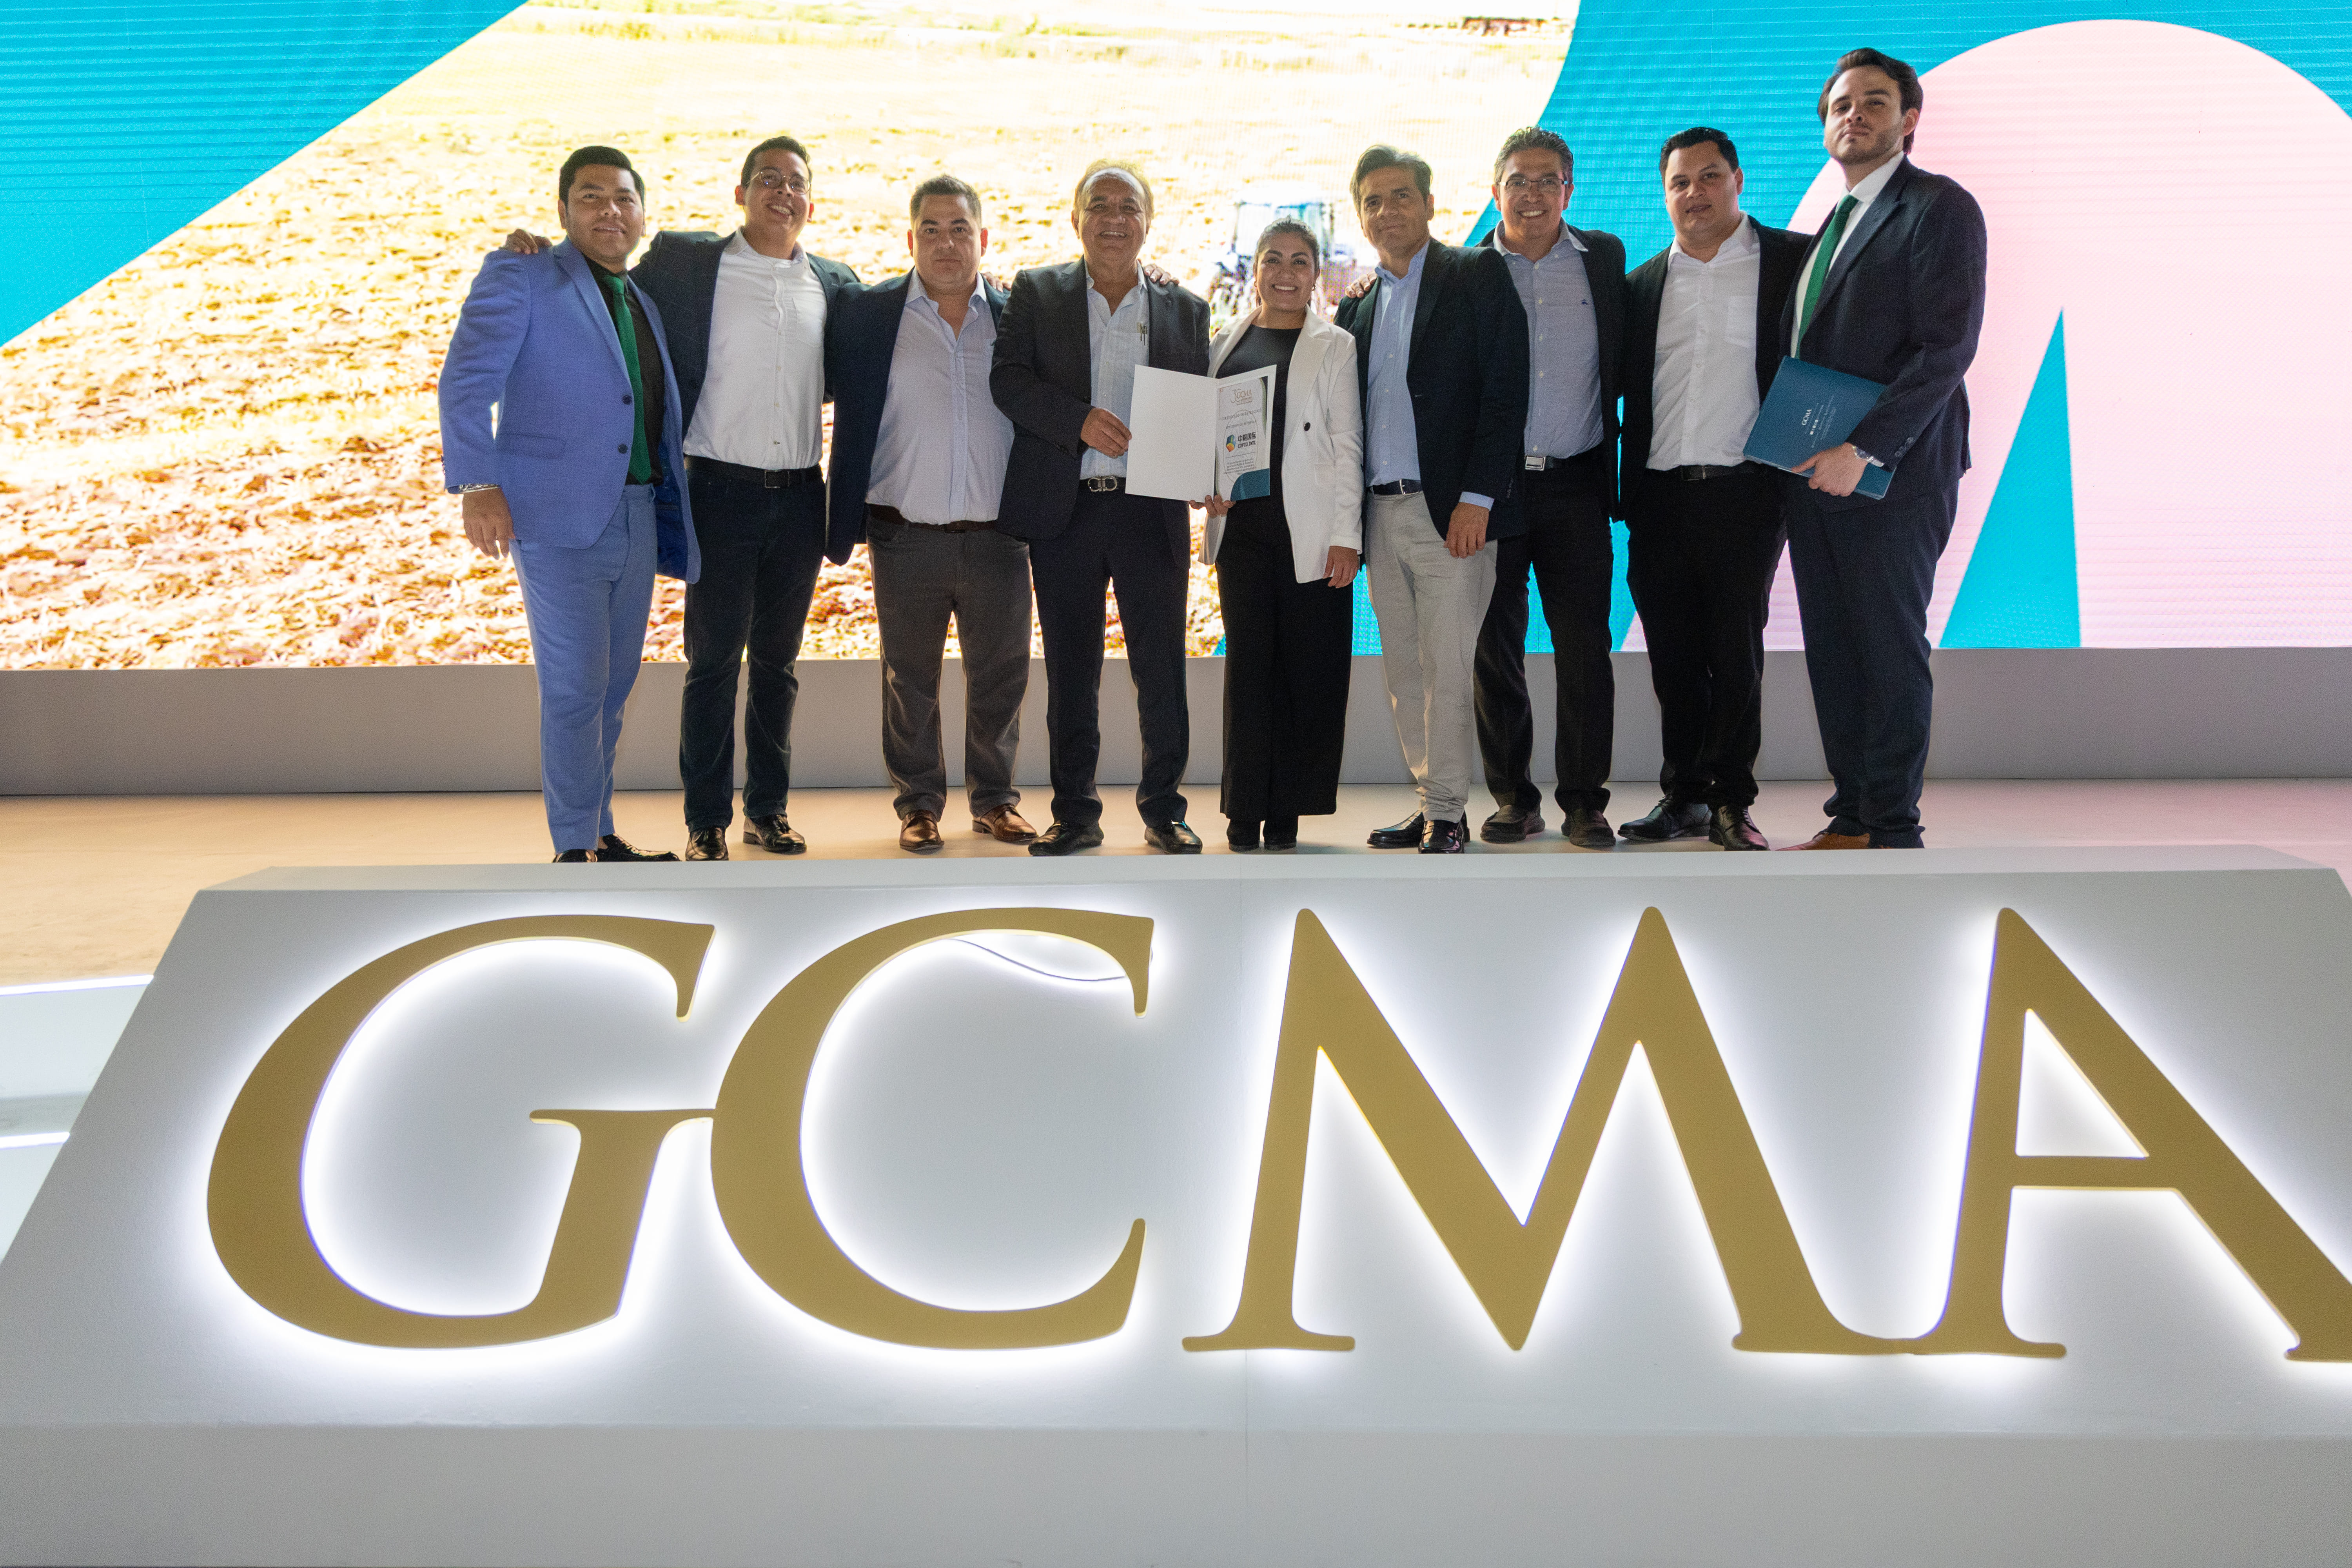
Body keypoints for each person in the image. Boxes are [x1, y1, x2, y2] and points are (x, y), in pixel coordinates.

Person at [441, 145, 699, 863]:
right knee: (575, 690)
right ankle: (572, 848)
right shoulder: (521, 274)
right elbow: (465, 383)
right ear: (562, 211)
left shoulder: (640, 298)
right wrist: (477, 484)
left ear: (642, 215)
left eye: (624, 198)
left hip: (638, 513)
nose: (610, 210)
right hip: (557, 519)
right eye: (591, 197)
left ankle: (598, 833)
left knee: (612, 690)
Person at [1779, 49, 1987, 849]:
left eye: (1874, 101)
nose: (1854, 115)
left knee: (1888, 644)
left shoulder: (1938, 207)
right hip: (1815, 476)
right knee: (1835, 647)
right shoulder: (1831, 225)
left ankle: (1892, 824)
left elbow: (1945, 350)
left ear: (1909, 120)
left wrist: (1863, 449)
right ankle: (1854, 813)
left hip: (1892, 474)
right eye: (1840, 105)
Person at [990, 159, 1212, 856]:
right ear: (1076, 218)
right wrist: (1077, 421)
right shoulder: (1038, 292)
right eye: (1100, 205)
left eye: (1129, 207)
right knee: (1071, 671)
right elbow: (1008, 381)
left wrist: (1208, 465)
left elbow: (1201, 406)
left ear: (1148, 222)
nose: (1115, 219)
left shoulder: (1185, 309)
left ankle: (1165, 811)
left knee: (1161, 669)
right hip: (1067, 513)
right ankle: (1075, 814)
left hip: (1152, 513)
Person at [824, 175, 1036, 854]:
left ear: (984, 238)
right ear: (910, 239)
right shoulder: (869, 313)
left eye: (960, 229)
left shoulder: (1017, 317)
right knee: (908, 679)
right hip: (905, 534)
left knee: (1001, 675)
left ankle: (995, 800)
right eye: (932, 230)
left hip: (1000, 537)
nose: (947, 244)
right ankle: (918, 805)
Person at [1618, 128, 1810, 852]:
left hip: (1746, 495)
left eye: (1708, 177)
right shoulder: (1641, 286)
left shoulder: (1791, 262)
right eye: (1679, 183)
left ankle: (1732, 799)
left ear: (1738, 181)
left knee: (1734, 655)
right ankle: (1684, 797)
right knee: (1672, 658)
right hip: (1659, 496)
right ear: (1664, 195)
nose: (1693, 193)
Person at [1336, 145, 1530, 855]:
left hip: (1450, 515)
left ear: (1429, 204)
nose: (1388, 211)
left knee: (1450, 670)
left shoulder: (1476, 273)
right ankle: (1431, 803)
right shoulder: (1358, 307)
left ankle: (1449, 812)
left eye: (1401, 196)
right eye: (1373, 201)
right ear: (1361, 217)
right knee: (1406, 672)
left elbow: (1506, 390)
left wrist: (1478, 498)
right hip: (1379, 516)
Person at [1469, 127, 1627, 850]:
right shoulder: (1467, 273)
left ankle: (1586, 803)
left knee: (1585, 650)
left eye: (1546, 180)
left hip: (1576, 485)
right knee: (1493, 649)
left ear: (1569, 190)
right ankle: (1514, 798)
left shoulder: (1605, 260)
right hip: (1491, 493)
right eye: (1518, 180)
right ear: (1495, 191)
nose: (1531, 194)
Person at [1198, 219, 1365, 851]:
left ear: (1316, 273)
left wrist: (1347, 535)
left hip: (1313, 534)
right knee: (1248, 673)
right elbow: (1211, 437)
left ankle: (1287, 810)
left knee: (1307, 673)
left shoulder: (1337, 345)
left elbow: (1349, 445)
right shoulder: (1226, 340)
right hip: (1241, 531)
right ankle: (1245, 808)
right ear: (1257, 269)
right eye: (1274, 259)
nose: (1286, 273)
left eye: (1299, 261)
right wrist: (1206, 483)